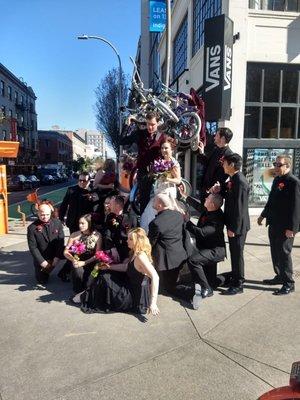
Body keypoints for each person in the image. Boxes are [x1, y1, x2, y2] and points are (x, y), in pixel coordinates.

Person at [79, 228, 160, 316]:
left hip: (135, 297)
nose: (127, 240)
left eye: (130, 239)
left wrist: (153, 303)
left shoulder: (141, 256)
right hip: (131, 287)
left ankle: (85, 296)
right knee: (107, 273)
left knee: (104, 278)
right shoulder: (134, 252)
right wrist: (109, 267)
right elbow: (126, 267)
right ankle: (87, 294)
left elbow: (155, 277)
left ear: (138, 241)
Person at [258, 154, 300, 295]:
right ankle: (279, 276)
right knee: (275, 252)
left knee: (284, 253)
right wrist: (263, 215)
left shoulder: (294, 182)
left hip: (285, 227)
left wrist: (292, 229)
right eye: (275, 164)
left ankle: (289, 282)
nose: (275, 167)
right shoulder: (277, 180)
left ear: (287, 166)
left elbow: (296, 208)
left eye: (278, 165)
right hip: (274, 223)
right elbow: (271, 201)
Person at [120, 111, 167, 213]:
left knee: (159, 200)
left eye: (153, 124)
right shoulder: (139, 134)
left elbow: (166, 154)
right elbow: (122, 141)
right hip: (143, 173)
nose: (150, 127)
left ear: (158, 123)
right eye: (148, 124)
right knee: (144, 201)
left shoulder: (162, 136)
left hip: (157, 173)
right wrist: (127, 125)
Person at [220, 153, 250, 295]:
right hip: (233, 225)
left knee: (238, 254)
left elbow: (240, 208)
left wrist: (234, 228)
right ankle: (234, 277)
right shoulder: (233, 179)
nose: (223, 165)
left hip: (238, 226)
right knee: (234, 253)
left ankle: (239, 284)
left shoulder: (241, 182)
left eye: (225, 163)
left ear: (232, 165)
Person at [140, 137, 182, 232]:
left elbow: (178, 180)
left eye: (166, 148)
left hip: (168, 192)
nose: (163, 150)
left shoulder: (174, 163)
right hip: (158, 191)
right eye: (162, 148)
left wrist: (167, 178)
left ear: (172, 149)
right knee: (150, 214)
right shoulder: (160, 162)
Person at [148, 193, 187, 292]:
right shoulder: (178, 215)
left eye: (155, 200)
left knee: (169, 288)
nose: (153, 201)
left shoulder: (155, 223)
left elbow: (150, 243)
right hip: (179, 257)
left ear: (160, 205)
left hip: (165, 262)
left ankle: (192, 293)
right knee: (172, 284)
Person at [27, 201, 66, 287]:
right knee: (42, 280)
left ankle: (64, 272)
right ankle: (45, 270)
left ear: (50, 213)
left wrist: (58, 256)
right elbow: (33, 247)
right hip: (43, 256)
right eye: (42, 215)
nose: (45, 217)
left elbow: (61, 241)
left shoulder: (57, 222)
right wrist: (42, 261)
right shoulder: (31, 228)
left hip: (56, 252)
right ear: (38, 213)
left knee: (73, 253)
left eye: (47, 214)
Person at [64, 214, 102, 294]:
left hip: (91, 261)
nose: (80, 225)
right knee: (78, 273)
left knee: (90, 282)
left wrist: (85, 263)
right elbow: (66, 251)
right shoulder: (74, 235)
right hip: (78, 261)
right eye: (79, 223)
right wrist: (73, 259)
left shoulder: (97, 235)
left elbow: (97, 254)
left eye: (83, 223)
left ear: (89, 223)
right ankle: (79, 292)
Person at [198, 127, 233, 203]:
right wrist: (202, 153)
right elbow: (207, 164)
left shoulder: (229, 155)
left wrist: (216, 188)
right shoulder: (216, 149)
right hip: (204, 189)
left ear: (222, 138)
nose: (214, 137)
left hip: (213, 193)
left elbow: (228, 175)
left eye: (216, 135)